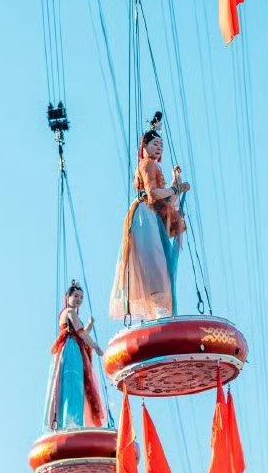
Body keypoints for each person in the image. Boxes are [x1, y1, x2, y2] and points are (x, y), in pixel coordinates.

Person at [109, 115, 191, 322]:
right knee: (154, 262)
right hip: (145, 215)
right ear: (144, 146)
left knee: (159, 262)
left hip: (153, 216)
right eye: (155, 143)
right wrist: (175, 187)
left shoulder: (155, 167)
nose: (159, 148)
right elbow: (153, 193)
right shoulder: (146, 165)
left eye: (161, 145)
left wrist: (176, 182)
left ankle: (159, 308)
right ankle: (158, 307)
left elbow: (166, 199)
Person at [42, 280, 108, 432]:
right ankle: (72, 421)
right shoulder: (70, 312)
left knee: (69, 385)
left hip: (70, 347)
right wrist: (96, 346)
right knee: (74, 384)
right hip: (72, 350)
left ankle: (69, 421)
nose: (79, 299)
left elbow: (80, 333)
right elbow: (81, 333)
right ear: (68, 297)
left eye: (81, 297)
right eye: (76, 296)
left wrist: (89, 326)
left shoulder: (67, 314)